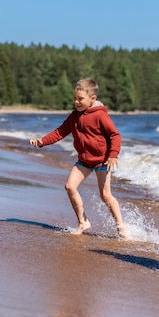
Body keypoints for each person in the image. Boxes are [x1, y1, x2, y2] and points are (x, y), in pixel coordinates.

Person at [29, 78, 127, 239]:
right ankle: (83, 222)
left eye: (80, 99)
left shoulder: (100, 116)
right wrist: (42, 142)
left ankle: (121, 227)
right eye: (74, 98)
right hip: (84, 160)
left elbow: (115, 135)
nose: (76, 102)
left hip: (102, 160)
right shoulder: (74, 116)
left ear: (92, 99)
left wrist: (113, 155)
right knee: (69, 186)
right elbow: (60, 131)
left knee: (105, 195)